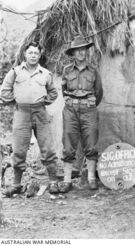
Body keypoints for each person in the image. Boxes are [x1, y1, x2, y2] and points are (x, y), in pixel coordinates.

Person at [0, 41, 59, 196]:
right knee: (19, 149)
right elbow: (4, 92)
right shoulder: (15, 72)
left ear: (39, 55)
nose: (33, 55)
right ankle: (17, 184)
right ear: (24, 54)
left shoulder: (45, 74)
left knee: (48, 148)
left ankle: (53, 182)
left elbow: (53, 93)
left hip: (40, 113)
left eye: (36, 53)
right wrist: (18, 101)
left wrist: (43, 102)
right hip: (22, 113)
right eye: (30, 52)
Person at [60, 35, 103, 192]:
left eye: (83, 50)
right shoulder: (66, 70)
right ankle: (67, 180)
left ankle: (91, 177)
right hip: (71, 111)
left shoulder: (93, 70)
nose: (81, 53)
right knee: (68, 142)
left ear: (86, 51)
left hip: (89, 110)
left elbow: (99, 92)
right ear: (73, 53)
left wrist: (89, 104)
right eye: (77, 50)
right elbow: (64, 90)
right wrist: (71, 101)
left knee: (91, 142)